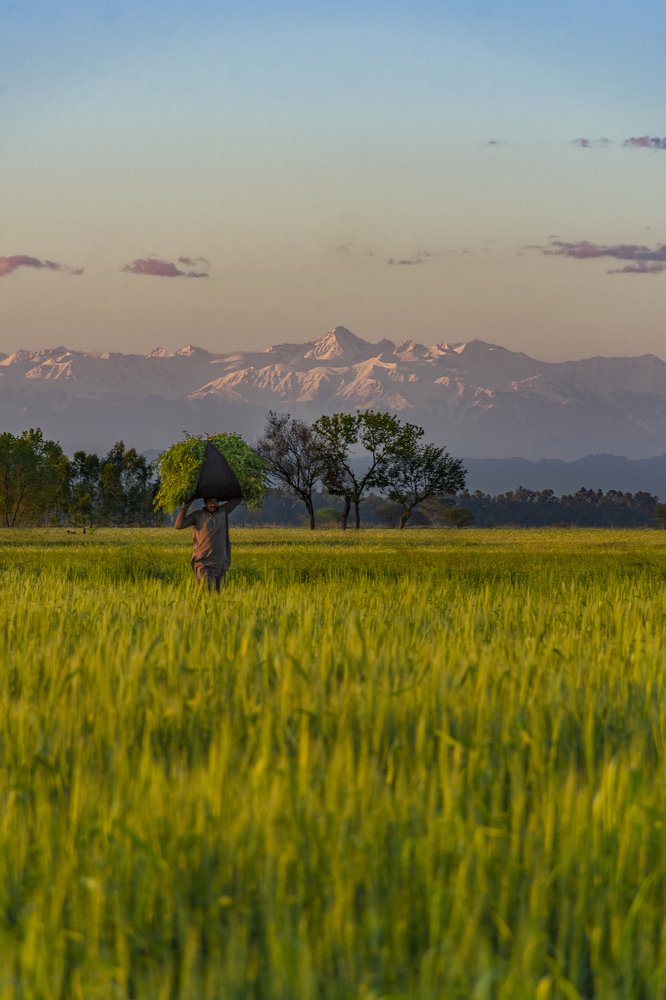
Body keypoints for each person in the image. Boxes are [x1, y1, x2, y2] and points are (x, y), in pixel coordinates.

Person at [174, 496, 242, 591]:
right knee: (204, 593)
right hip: (203, 562)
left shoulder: (223, 511)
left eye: (215, 501)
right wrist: (186, 506)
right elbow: (178, 525)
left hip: (220, 562)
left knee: (218, 596)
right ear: (205, 503)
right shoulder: (197, 515)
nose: (213, 504)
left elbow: (237, 498)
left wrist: (223, 490)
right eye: (210, 501)